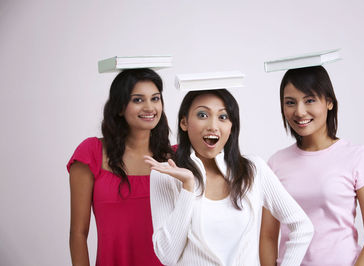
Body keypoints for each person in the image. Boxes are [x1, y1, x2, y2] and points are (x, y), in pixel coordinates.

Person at [144, 89, 314, 266]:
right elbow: (167, 256)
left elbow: (302, 227)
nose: (213, 126)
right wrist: (188, 187)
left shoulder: (253, 169)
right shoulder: (165, 174)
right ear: (184, 122)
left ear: (232, 125)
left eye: (223, 117)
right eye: (202, 115)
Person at [260, 66, 364, 266]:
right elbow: (267, 236)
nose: (299, 111)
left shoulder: (357, 157)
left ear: (329, 102)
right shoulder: (275, 163)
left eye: (309, 100)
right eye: (290, 102)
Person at [67, 68, 172, 266]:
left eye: (155, 98)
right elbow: (78, 233)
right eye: (138, 100)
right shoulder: (92, 153)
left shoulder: (175, 158)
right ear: (119, 107)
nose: (150, 107)